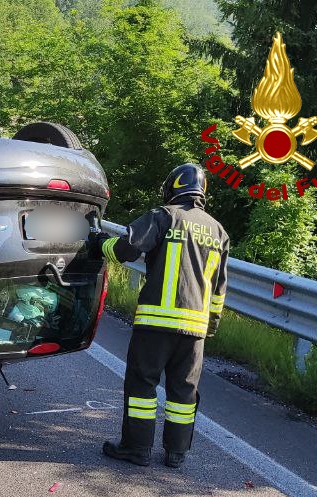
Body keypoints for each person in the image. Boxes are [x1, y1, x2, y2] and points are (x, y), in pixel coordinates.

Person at [90, 163, 229, 468]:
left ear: (173, 187)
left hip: (155, 323)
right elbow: (218, 289)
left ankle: (136, 448)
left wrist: (100, 243)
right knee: (184, 391)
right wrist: (210, 326)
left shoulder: (164, 216)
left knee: (142, 386)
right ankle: (176, 454)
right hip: (195, 331)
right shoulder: (219, 231)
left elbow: (126, 249)